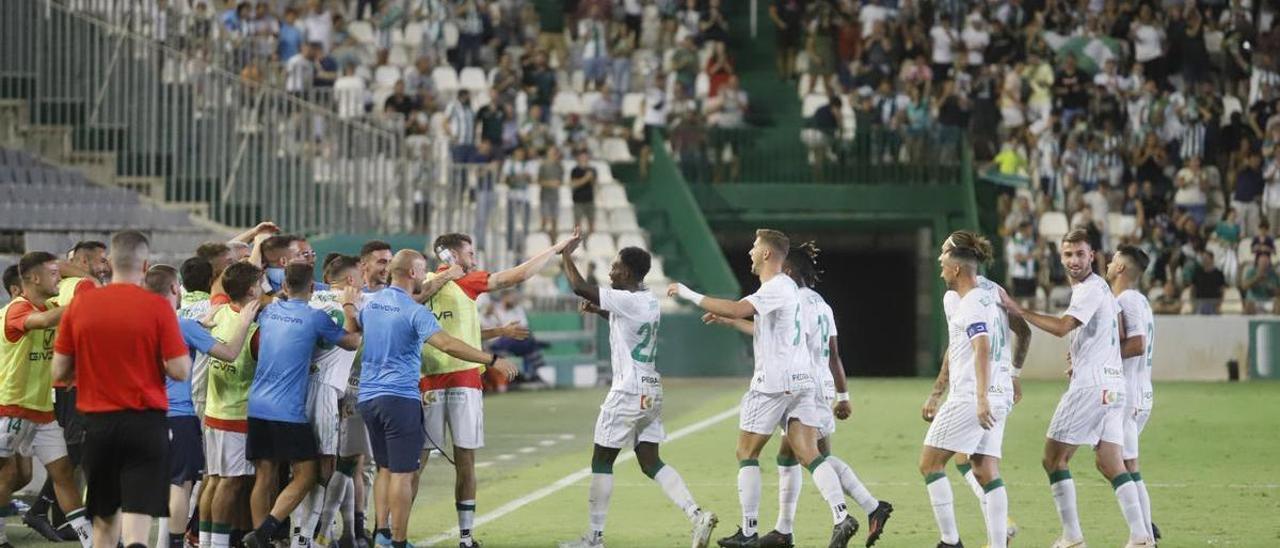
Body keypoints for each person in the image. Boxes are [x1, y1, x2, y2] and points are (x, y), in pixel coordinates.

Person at [668, 229, 859, 548]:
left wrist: (689, 293)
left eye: (755, 248)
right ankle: (842, 516)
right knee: (809, 453)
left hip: (773, 383)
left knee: (747, 452)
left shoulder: (776, 286)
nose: (751, 253)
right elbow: (766, 328)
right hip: (801, 382)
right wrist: (730, 322)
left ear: (768, 254)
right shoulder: (789, 290)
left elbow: (737, 307)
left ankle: (749, 530)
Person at [709, 242, 894, 548]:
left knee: (813, 456)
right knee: (792, 455)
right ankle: (784, 529)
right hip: (817, 383)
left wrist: (734, 319)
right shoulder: (822, 304)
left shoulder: (795, 300)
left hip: (800, 384)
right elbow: (833, 353)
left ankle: (867, 507)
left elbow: (782, 338)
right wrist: (842, 394)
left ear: (789, 270)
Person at [412, 232, 574, 547]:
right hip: (462, 380)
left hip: (428, 381)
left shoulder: (421, 285)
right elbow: (519, 275)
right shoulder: (465, 281)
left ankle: (396, 533)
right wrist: (554, 249)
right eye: (470, 253)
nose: (474, 258)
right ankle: (465, 536)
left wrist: (499, 330)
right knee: (464, 461)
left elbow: (456, 333)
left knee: (417, 462)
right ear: (453, 256)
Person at [557, 238, 719, 548]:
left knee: (602, 460)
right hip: (651, 391)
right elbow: (627, 323)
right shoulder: (647, 301)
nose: (611, 272)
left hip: (628, 390)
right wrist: (600, 311)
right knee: (650, 461)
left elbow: (579, 286)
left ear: (629, 273)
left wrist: (565, 254)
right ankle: (696, 513)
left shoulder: (626, 299)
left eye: (616, 267)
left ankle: (595, 538)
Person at [999, 229, 1154, 548]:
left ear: (1092, 256)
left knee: (1053, 459)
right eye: (1068, 255)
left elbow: (1062, 327)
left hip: (1092, 386)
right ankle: (1141, 537)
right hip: (1114, 387)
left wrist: (1018, 310)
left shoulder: (1089, 289)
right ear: (1060, 257)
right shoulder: (1103, 289)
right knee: (1111, 462)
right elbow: (1118, 330)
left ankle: (1072, 538)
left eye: (1080, 254)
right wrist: (1087, 351)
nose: (1074, 261)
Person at [349, 250, 515, 548]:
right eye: (422, 269)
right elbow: (448, 344)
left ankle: (382, 534)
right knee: (402, 473)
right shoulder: (414, 311)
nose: (426, 276)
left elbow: (353, 328)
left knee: (385, 469)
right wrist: (491, 359)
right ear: (412, 273)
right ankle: (399, 541)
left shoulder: (372, 304)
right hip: (399, 398)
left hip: (368, 398)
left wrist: (347, 304)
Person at [52, 231, 194, 548]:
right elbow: (181, 370)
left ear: (110, 263)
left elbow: (59, 371)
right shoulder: (158, 307)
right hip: (147, 423)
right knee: (137, 523)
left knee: (104, 524)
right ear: (145, 266)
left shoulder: (81, 305)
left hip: (99, 423)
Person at [919, 232, 1031, 548]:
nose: (939, 260)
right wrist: (1014, 373)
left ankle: (949, 542)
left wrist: (973, 397)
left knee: (930, 463)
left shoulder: (962, 301)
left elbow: (977, 347)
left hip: (972, 394)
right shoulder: (995, 292)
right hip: (1000, 393)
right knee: (984, 467)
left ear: (957, 266)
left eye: (943, 254)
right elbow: (1023, 330)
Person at [242, 264, 361, 548]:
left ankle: (262, 539)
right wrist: (348, 308)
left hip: (257, 405)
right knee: (308, 474)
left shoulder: (269, 312)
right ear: (311, 288)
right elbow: (351, 340)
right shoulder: (314, 318)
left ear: (284, 287)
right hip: (288, 409)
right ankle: (263, 533)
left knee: (265, 475)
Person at [144, 264, 258, 548]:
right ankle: (173, 544)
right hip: (177, 415)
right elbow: (230, 353)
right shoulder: (181, 326)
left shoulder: (138, 324)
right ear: (174, 289)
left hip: (141, 416)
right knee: (179, 484)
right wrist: (244, 322)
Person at [0, 252, 93, 548]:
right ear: (35, 279)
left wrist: (62, 266)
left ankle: (92, 541)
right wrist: (83, 301)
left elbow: (73, 295)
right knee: (9, 473)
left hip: (41, 411)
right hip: (9, 407)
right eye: (53, 274)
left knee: (63, 473)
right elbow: (41, 322)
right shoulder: (16, 309)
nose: (61, 279)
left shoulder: (53, 304)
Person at [25, 239, 107, 541]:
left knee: (71, 450)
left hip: (57, 380)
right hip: (75, 381)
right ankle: (40, 508)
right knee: (74, 449)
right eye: (100, 260)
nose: (105, 265)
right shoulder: (83, 287)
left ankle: (59, 517)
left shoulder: (62, 287)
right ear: (83, 262)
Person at [198, 262, 265, 548]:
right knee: (230, 482)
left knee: (214, 480)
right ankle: (217, 544)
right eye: (261, 284)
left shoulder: (220, 312)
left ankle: (205, 540)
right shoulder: (253, 329)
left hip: (214, 410)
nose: (265, 289)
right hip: (236, 414)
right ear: (252, 290)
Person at [303, 256, 368, 547]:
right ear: (351, 281)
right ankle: (317, 534)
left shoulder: (311, 299)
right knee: (329, 465)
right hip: (329, 391)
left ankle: (328, 532)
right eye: (362, 275)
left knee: (312, 465)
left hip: (300, 389)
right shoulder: (355, 302)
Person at [1108, 246, 1160, 544]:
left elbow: (1137, 344)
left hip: (1128, 395)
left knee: (1125, 465)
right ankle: (1144, 529)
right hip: (1140, 391)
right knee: (1126, 463)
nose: (1109, 263)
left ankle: (1143, 535)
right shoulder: (1140, 300)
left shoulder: (1126, 299)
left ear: (1122, 269)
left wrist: (1103, 357)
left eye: (1114, 260)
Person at [569, 151, 598, 234]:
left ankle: (591, 240)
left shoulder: (592, 170)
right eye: (582, 157)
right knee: (577, 223)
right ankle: (575, 241)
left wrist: (590, 178)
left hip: (589, 199)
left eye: (585, 157)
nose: (584, 159)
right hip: (578, 200)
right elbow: (574, 184)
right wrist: (586, 178)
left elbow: (594, 184)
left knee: (591, 222)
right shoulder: (575, 170)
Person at [1190, 250, 1226, 315]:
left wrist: (1219, 305)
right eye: (1203, 258)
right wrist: (1193, 304)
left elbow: (1222, 291)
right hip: (1200, 302)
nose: (1204, 260)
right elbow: (1193, 289)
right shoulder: (1198, 273)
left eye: (1206, 258)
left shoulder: (1219, 274)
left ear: (1212, 259)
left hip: (1214, 302)